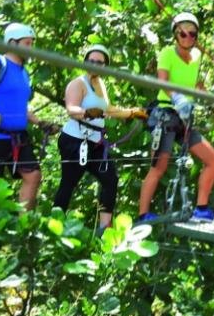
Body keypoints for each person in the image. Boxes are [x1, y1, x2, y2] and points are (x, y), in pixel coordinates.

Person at [137, 12, 214, 223]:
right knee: (158, 167)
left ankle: (201, 208)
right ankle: (143, 214)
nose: (188, 38)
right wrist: (177, 97)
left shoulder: (197, 57)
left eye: (192, 34)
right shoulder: (167, 53)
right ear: (176, 34)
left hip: (185, 119)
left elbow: (197, 85)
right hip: (165, 115)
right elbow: (163, 81)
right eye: (183, 33)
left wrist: (213, 101)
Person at [54, 44, 147, 230]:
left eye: (100, 62)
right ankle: (55, 224)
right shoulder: (78, 83)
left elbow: (108, 109)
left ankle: (105, 228)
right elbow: (71, 109)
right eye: (92, 61)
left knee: (110, 179)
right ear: (85, 62)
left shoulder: (100, 84)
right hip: (74, 141)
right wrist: (87, 112)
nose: (95, 65)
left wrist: (131, 112)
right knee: (69, 183)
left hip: (95, 143)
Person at [0, 22, 54, 209]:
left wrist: (39, 122)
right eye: (27, 43)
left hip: (18, 138)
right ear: (12, 43)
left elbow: (19, 107)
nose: (31, 48)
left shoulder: (24, 73)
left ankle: (24, 223)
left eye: (32, 43)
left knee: (33, 175)